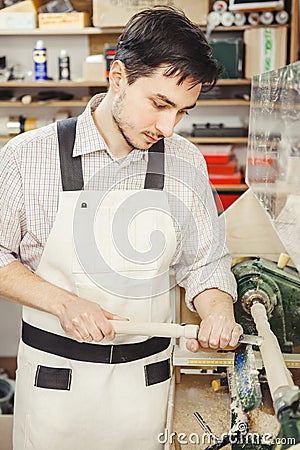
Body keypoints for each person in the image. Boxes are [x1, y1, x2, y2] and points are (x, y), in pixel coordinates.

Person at [0, 6, 243, 450]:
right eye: (160, 104)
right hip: (57, 388)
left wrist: (219, 312)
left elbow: (204, 263)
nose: (168, 127)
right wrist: (64, 303)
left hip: (145, 388)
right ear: (118, 77)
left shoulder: (185, 162)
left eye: (183, 111)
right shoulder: (26, 157)